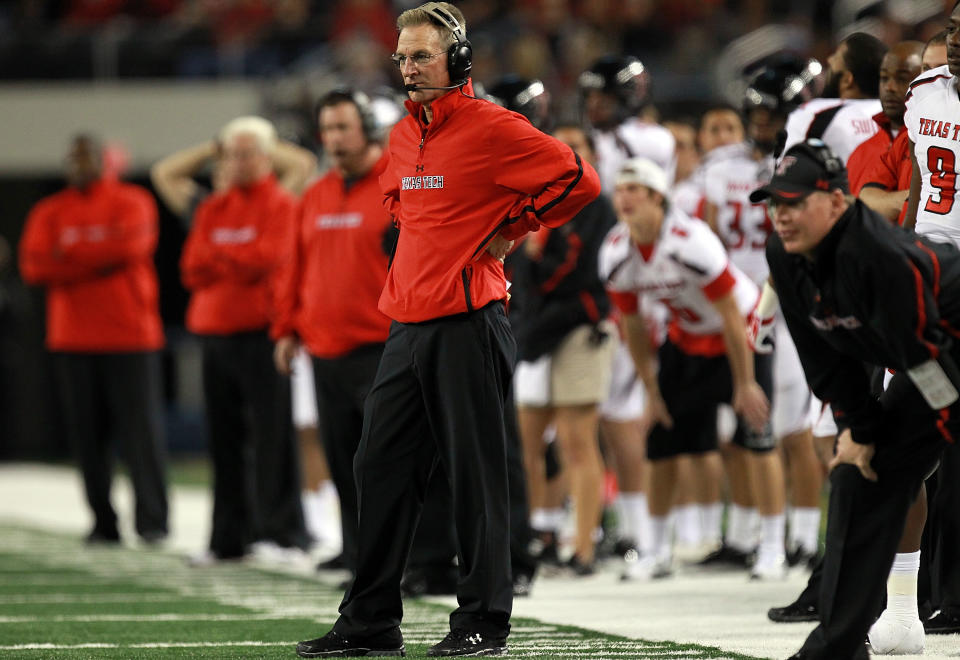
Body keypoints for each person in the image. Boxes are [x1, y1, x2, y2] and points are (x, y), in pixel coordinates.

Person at [294, 3, 600, 658]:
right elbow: (400, 202)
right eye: (402, 57)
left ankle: (484, 620)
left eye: (421, 56)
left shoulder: (493, 126)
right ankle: (372, 620)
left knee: (475, 476)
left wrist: (513, 226)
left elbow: (579, 179)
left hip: (468, 321)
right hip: (406, 322)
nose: (408, 67)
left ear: (458, 61)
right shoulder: (404, 135)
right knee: (376, 465)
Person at [752, 139, 958, 660]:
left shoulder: (878, 256)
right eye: (776, 203)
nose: (782, 216)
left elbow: (928, 360)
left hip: (941, 353)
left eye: (796, 203)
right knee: (855, 473)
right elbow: (826, 360)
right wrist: (858, 431)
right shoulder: (785, 253)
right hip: (922, 361)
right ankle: (837, 644)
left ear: (838, 202)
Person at [599, 157, 771, 581]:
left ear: (658, 198)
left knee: (757, 440)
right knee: (662, 439)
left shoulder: (691, 240)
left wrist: (745, 382)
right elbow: (634, 325)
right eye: (620, 190)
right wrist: (651, 391)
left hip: (739, 333)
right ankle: (655, 550)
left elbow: (731, 313)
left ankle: (772, 547)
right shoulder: (617, 251)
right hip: (686, 337)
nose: (625, 198)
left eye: (635, 189)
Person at [272, 88, 397, 581]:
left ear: (367, 127)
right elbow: (293, 268)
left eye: (343, 127)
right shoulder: (317, 193)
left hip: (381, 345)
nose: (334, 138)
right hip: (323, 348)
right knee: (342, 460)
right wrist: (286, 329)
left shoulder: (396, 183)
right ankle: (355, 550)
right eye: (327, 129)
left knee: (385, 461)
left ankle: (400, 555)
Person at [18, 134, 168, 545]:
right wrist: (99, 255)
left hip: (131, 335)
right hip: (72, 338)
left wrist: (70, 256)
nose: (79, 165)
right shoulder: (50, 209)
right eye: (73, 158)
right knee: (87, 439)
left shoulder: (133, 201)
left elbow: (131, 248)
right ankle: (103, 523)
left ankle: (152, 522)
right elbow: (34, 267)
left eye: (86, 158)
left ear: (105, 162)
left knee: (142, 435)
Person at [180, 116, 309, 565]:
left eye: (246, 153)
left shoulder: (280, 202)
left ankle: (284, 534)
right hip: (214, 334)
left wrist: (222, 257)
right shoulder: (214, 206)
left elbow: (267, 258)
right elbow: (191, 267)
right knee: (223, 441)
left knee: (274, 437)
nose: (237, 162)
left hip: (261, 331)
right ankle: (228, 540)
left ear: (267, 156)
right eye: (231, 154)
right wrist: (234, 258)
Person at [511, 122, 617, 575]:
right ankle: (540, 531)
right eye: (564, 146)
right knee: (526, 442)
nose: (570, 152)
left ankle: (585, 544)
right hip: (535, 331)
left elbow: (576, 271)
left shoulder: (597, 204)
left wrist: (533, 258)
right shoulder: (538, 200)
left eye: (579, 145)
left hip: (579, 327)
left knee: (577, 442)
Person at [782, 33, 887, 164]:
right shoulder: (901, 115)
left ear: (847, 80)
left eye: (836, 57)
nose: (829, 60)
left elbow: (785, 173)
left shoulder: (814, 113)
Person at [578, 54, 676, 194]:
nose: (593, 105)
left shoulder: (653, 138)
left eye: (603, 99)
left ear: (627, 99)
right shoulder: (591, 136)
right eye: (589, 97)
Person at [847, 41, 924, 201]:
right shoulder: (861, 152)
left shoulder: (934, 146)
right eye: (884, 78)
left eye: (902, 79)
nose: (889, 87)